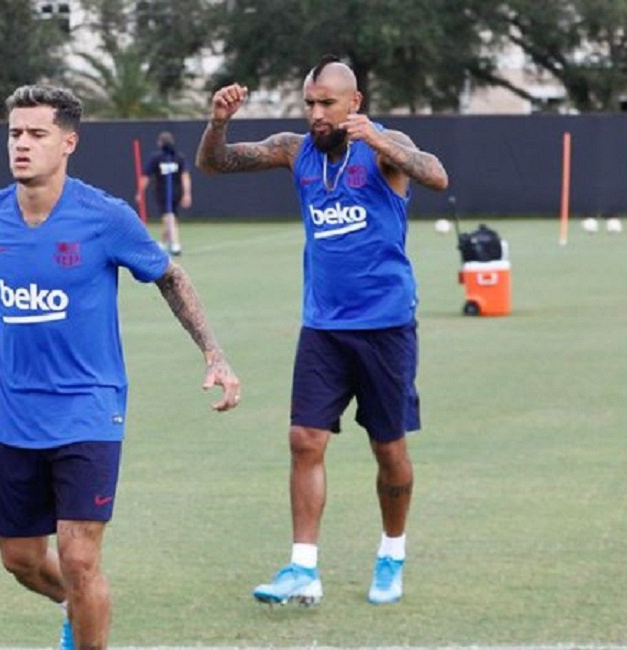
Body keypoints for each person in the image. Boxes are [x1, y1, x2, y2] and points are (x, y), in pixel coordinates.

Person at [0, 85, 240, 650]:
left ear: (68, 143)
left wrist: (214, 353)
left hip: (89, 408)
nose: (22, 144)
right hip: (16, 416)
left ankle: (85, 616)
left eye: (37, 134)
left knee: (80, 558)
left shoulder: (104, 216)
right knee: (21, 559)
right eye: (15, 133)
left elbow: (170, 276)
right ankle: (78, 610)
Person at [196, 55, 449, 606]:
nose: (315, 113)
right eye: (309, 102)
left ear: (353, 103)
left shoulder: (384, 147)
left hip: (385, 327)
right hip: (323, 327)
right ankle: (302, 569)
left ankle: (391, 553)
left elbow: (436, 174)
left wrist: (382, 143)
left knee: (388, 449)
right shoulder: (296, 150)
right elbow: (217, 164)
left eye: (326, 103)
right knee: (304, 440)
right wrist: (218, 122)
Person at [136, 131, 192, 255]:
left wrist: (140, 192)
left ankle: (176, 244)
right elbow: (146, 176)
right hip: (166, 191)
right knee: (170, 218)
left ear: (160, 143)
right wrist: (187, 193)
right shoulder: (158, 158)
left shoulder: (178, 158)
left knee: (169, 217)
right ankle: (162, 243)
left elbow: (185, 176)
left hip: (168, 192)